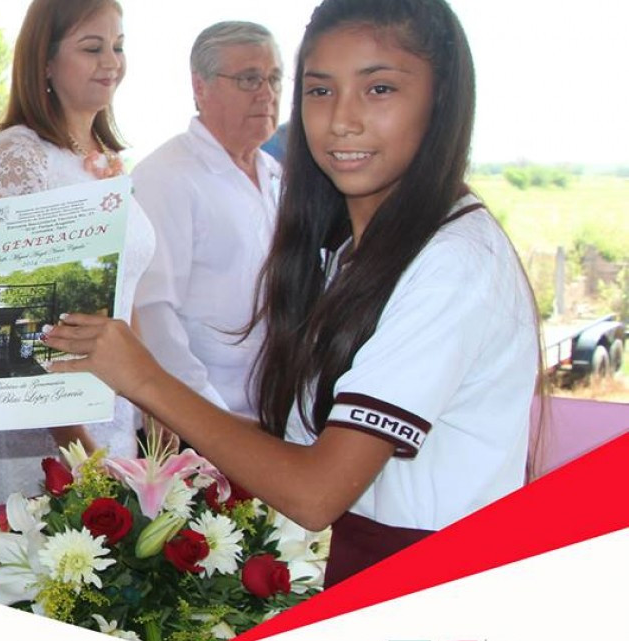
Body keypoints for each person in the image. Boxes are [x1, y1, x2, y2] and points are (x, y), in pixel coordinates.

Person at [43, 0, 541, 585]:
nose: (341, 121)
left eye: (379, 89)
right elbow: (303, 447)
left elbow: (315, 489)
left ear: (443, 99)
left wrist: (146, 380)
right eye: (320, 91)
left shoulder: (453, 261)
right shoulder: (358, 248)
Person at [0, 0, 156, 509]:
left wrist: (153, 397)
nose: (112, 62)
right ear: (45, 62)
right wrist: (78, 448)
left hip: (113, 414)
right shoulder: (20, 156)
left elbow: (126, 287)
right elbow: (8, 316)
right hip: (44, 433)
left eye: (118, 46)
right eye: (92, 47)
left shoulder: (108, 161)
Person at [132, 21, 282, 426]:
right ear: (200, 87)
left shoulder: (278, 177)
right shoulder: (165, 177)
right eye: (250, 79)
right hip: (206, 431)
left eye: (274, 78)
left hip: (280, 426)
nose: (267, 93)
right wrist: (211, 422)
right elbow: (153, 315)